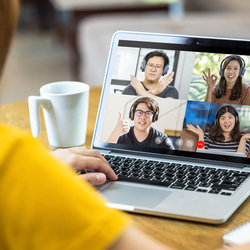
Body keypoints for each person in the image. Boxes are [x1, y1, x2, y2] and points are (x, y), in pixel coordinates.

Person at [1, 1, 250, 249]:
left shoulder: (171, 104)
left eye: (159, 67)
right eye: (151, 65)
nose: (143, 117)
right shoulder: (15, 160)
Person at [107, 97, 175, 150]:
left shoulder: (162, 139)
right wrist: (115, 134)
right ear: (132, 114)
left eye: (148, 113)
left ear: (154, 117)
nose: (143, 117)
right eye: (139, 112)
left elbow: (173, 159)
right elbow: (105, 156)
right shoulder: (121, 135)